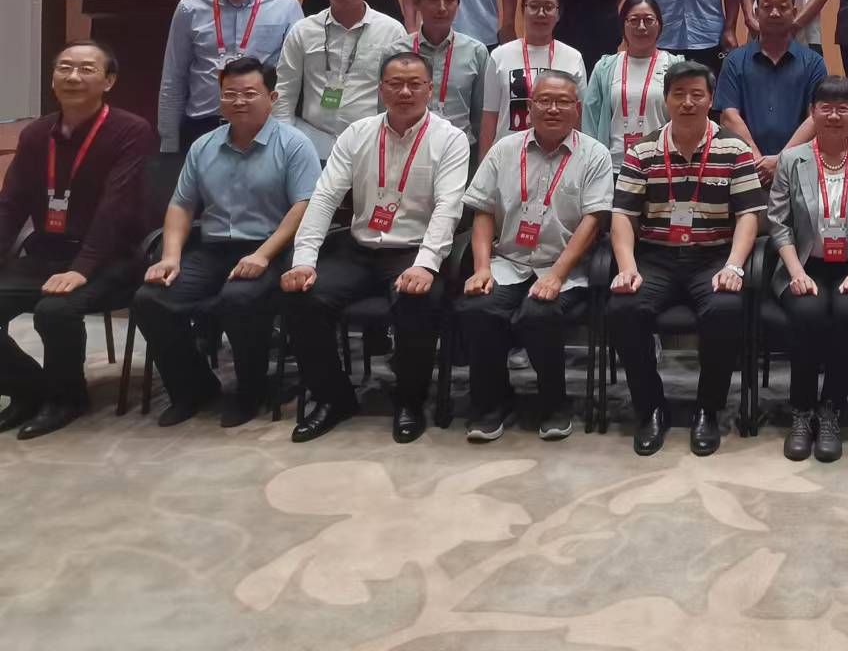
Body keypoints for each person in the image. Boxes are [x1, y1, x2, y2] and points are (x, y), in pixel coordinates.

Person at [282, 52, 470, 444]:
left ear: (430, 89)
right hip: (359, 249)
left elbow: (448, 207)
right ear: (381, 89)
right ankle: (335, 399)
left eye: (415, 84)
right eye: (395, 84)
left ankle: (410, 402)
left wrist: (426, 264)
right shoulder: (357, 133)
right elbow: (324, 197)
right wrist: (304, 260)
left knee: (417, 301)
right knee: (302, 298)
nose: (405, 92)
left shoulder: (449, 139)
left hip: (414, 251)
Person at [132, 57, 321, 427]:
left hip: (271, 249)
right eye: (230, 94)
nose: (239, 102)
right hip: (213, 248)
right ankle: (193, 388)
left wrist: (263, 255)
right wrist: (170, 256)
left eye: (249, 93)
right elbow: (181, 205)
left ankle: (251, 391)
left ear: (272, 98)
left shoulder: (295, 145)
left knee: (240, 299)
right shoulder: (204, 146)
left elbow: (305, 206)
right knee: (150, 300)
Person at [607, 61, 764, 456]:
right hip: (656, 257)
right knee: (624, 308)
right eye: (679, 94)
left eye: (697, 94)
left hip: (713, 256)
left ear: (710, 100)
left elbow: (749, 215)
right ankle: (651, 408)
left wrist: (734, 265)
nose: (688, 102)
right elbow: (623, 215)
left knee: (725, 308)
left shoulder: (735, 149)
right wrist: (627, 267)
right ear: (666, 99)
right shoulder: (642, 150)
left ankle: (707, 410)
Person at [0, 42, 155, 439]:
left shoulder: (130, 131)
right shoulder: (36, 134)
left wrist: (82, 268)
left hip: (112, 257)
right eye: (64, 68)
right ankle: (27, 388)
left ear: (109, 81)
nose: (73, 77)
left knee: (55, 311)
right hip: (47, 252)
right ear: (52, 79)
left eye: (86, 69)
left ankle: (66, 399)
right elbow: (11, 204)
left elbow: (115, 208)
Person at [459, 71, 613, 442]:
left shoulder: (595, 154)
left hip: (566, 267)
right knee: (479, 308)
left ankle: (554, 402)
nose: (553, 109)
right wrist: (481, 268)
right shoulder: (504, 150)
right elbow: (483, 211)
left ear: (577, 109)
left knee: (539, 314)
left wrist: (557, 275)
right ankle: (492, 402)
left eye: (563, 102)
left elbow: (593, 221)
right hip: (508, 261)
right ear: (530, 107)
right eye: (544, 101)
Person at [768, 76, 848, 462]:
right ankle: (802, 411)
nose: (834, 116)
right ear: (813, 112)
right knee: (807, 312)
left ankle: (831, 410)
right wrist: (795, 272)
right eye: (826, 108)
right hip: (804, 264)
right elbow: (778, 223)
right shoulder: (792, 160)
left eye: (843, 108)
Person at [158, 0, 303, 154]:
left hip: (263, 126)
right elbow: (174, 78)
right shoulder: (189, 8)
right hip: (203, 125)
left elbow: (294, 77)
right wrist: (168, 141)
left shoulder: (286, 6)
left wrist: (288, 132)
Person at [273, 0, 410, 160]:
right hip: (311, 145)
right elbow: (285, 91)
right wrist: (284, 143)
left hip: (370, 145)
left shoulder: (392, 31)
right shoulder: (303, 30)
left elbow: (399, 91)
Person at [714, 0, 827, 183]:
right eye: (767, 7)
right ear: (756, 13)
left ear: (794, 12)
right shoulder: (735, 61)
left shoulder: (813, 63)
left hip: (799, 172)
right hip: (746, 171)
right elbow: (729, 116)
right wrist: (758, 162)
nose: (775, 13)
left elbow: (816, 118)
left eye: (783, 7)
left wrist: (781, 162)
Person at [480, 0, 587, 159]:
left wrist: (576, 159)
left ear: (558, 14)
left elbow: (579, 116)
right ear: (523, 10)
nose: (541, 13)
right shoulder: (500, 56)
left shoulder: (573, 57)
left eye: (548, 7)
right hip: (509, 157)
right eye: (534, 6)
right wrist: (483, 163)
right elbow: (490, 116)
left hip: (558, 154)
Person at [582, 0, 679, 163]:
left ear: (659, 25)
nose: (641, 27)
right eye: (634, 20)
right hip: (613, 166)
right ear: (623, 25)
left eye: (648, 20)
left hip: (661, 167)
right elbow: (590, 121)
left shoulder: (675, 66)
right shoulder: (604, 68)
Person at [406, 0, 490, 155]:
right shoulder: (397, 51)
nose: (442, 7)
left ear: (458, 4)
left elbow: (481, 115)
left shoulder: (476, 52)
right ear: (417, 2)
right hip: (408, 147)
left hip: (459, 150)